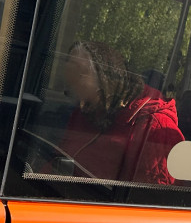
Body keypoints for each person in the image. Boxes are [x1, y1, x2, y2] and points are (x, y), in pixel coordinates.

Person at [58, 41, 183, 184]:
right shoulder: (88, 110)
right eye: (70, 88)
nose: (77, 99)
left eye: (78, 79)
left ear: (104, 79)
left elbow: (150, 197)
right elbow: (59, 161)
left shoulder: (154, 127)